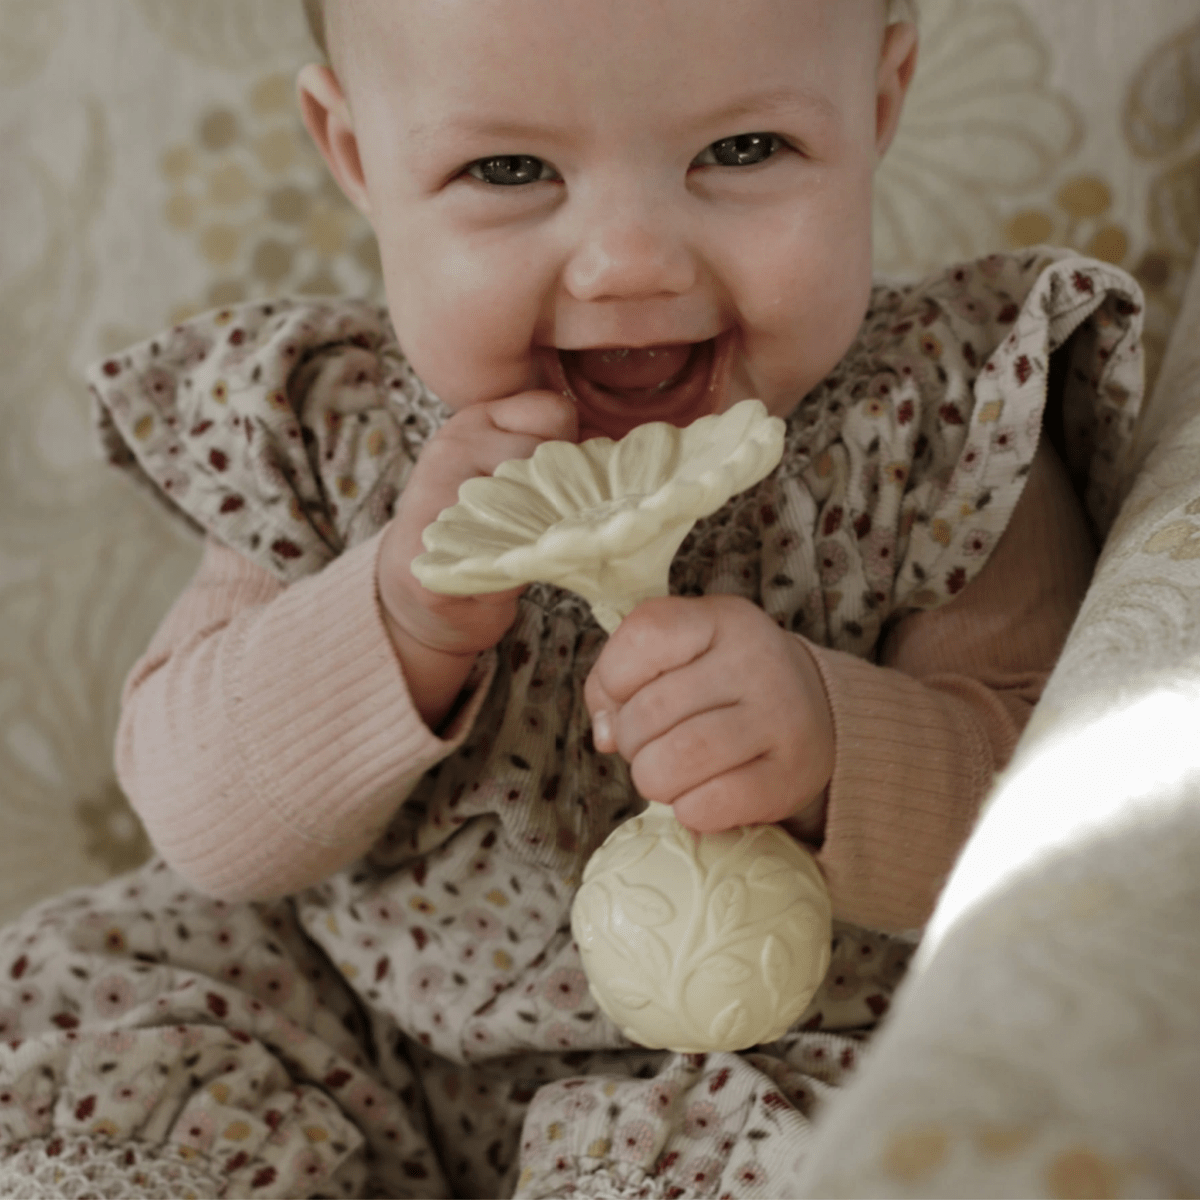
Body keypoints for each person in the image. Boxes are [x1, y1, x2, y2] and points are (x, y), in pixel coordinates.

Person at [0, 2, 1145, 1197]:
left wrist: (834, 745)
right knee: (97, 1008)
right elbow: (202, 824)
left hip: (762, 1063)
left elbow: (1069, 829)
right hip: (347, 1032)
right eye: (510, 170)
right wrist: (394, 616)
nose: (631, 262)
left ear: (877, 102)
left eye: (742, 149)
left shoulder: (940, 424)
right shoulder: (326, 435)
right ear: (355, 154)